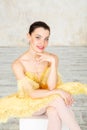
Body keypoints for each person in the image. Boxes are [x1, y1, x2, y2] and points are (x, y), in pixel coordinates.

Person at [0, 21, 87, 130]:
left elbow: (51, 87)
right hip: (30, 102)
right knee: (57, 99)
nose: (42, 43)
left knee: (53, 111)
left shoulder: (52, 58)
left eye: (46, 39)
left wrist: (53, 63)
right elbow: (31, 94)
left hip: (48, 99)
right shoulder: (18, 64)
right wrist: (57, 91)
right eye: (38, 37)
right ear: (28, 36)